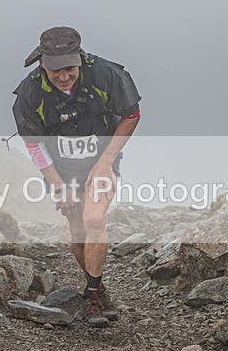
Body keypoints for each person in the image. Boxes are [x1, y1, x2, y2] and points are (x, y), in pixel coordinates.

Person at [12, 26, 141, 327]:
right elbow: (34, 144)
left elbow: (131, 115)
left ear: (80, 59)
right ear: (42, 64)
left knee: (94, 219)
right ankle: (99, 286)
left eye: (69, 68)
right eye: (55, 70)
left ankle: (91, 297)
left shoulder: (106, 75)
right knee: (78, 226)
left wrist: (105, 163)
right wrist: (59, 188)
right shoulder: (30, 92)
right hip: (61, 168)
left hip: (101, 159)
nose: (63, 76)